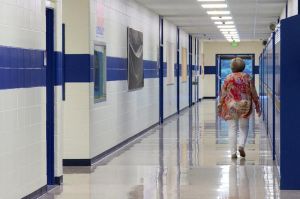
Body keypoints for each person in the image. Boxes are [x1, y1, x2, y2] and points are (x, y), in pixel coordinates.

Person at [218, 57, 261, 159]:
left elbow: (223, 93)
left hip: (231, 106)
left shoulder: (228, 78)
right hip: (245, 105)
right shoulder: (248, 77)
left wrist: (220, 104)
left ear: (231, 67)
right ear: (243, 67)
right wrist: (257, 104)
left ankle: (233, 153)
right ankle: (241, 145)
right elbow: (253, 92)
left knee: (232, 128)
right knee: (244, 127)